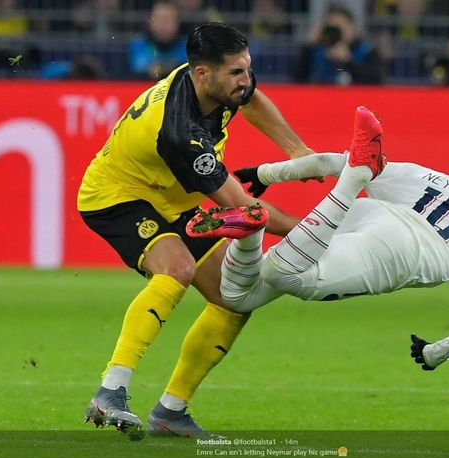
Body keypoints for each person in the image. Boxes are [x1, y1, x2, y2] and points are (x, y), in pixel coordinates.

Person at [78, 23, 313, 437]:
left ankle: (171, 412)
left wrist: (297, 151)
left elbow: (252, 97)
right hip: (117, 196)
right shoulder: (179, 132)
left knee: (235, 298)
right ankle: (110, 390)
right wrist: (312, 231)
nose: (245, 80)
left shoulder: (219, 82)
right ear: (202, 74)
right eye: (236, 73)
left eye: (247, 69)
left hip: (173, 197)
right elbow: (243, 208)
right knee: (177, 269)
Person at [205, 106, 449, 372]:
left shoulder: (426, 175)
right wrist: (435, 353)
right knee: (283, 273)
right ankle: (281, 216)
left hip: (367, 214)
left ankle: (248, 237)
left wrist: (265, 174)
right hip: (398, 252)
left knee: (238, 297)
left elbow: (331, 162)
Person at [293, 4, 384, 85]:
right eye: (333, 29)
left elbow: (376, 83)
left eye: (341, 28)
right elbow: (297, 79)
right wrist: (307, 47)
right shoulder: (317, 50)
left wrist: (348, 61)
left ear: (352, 27)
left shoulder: (367, 50)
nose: (338, 34)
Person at [128, 1, 187, 80]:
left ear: (177, 23)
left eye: (167, 20)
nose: (163, 25)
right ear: (149, 21)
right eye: (159, 19)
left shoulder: (187, 48)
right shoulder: (137, 45)